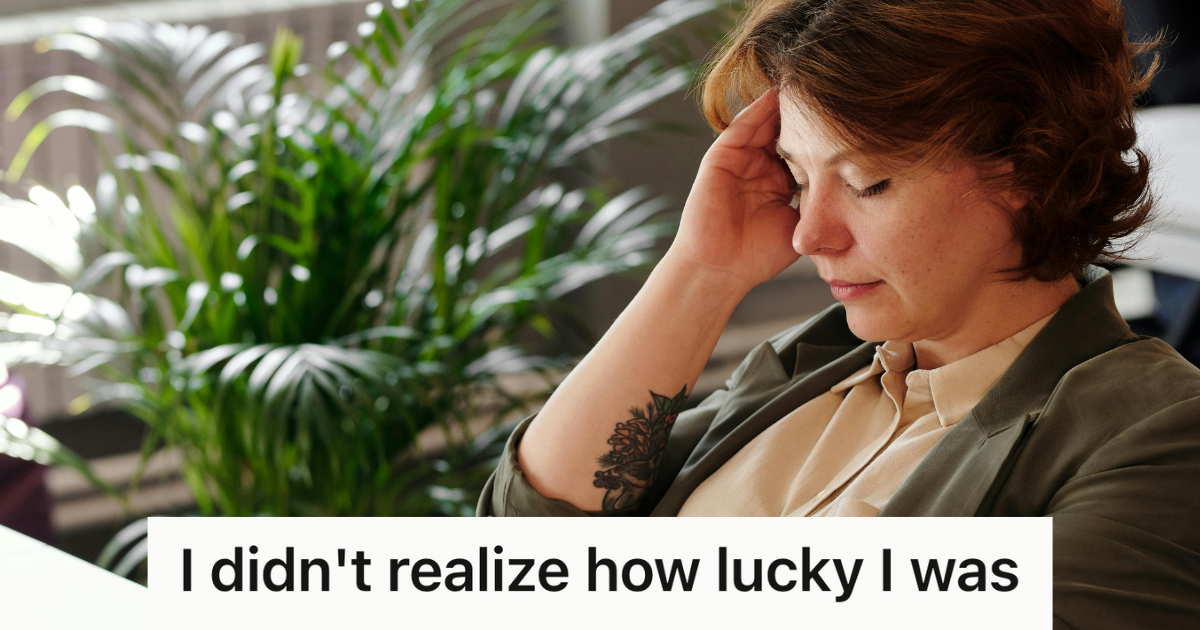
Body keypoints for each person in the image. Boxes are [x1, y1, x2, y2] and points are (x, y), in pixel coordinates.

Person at [477, 0, 1200, 624]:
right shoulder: (810, 366)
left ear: (1027, 165)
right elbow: (525, 549)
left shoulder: (1158, 432)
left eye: (867, 181)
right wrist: (700, 271)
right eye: (796, 176)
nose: (806, 233)